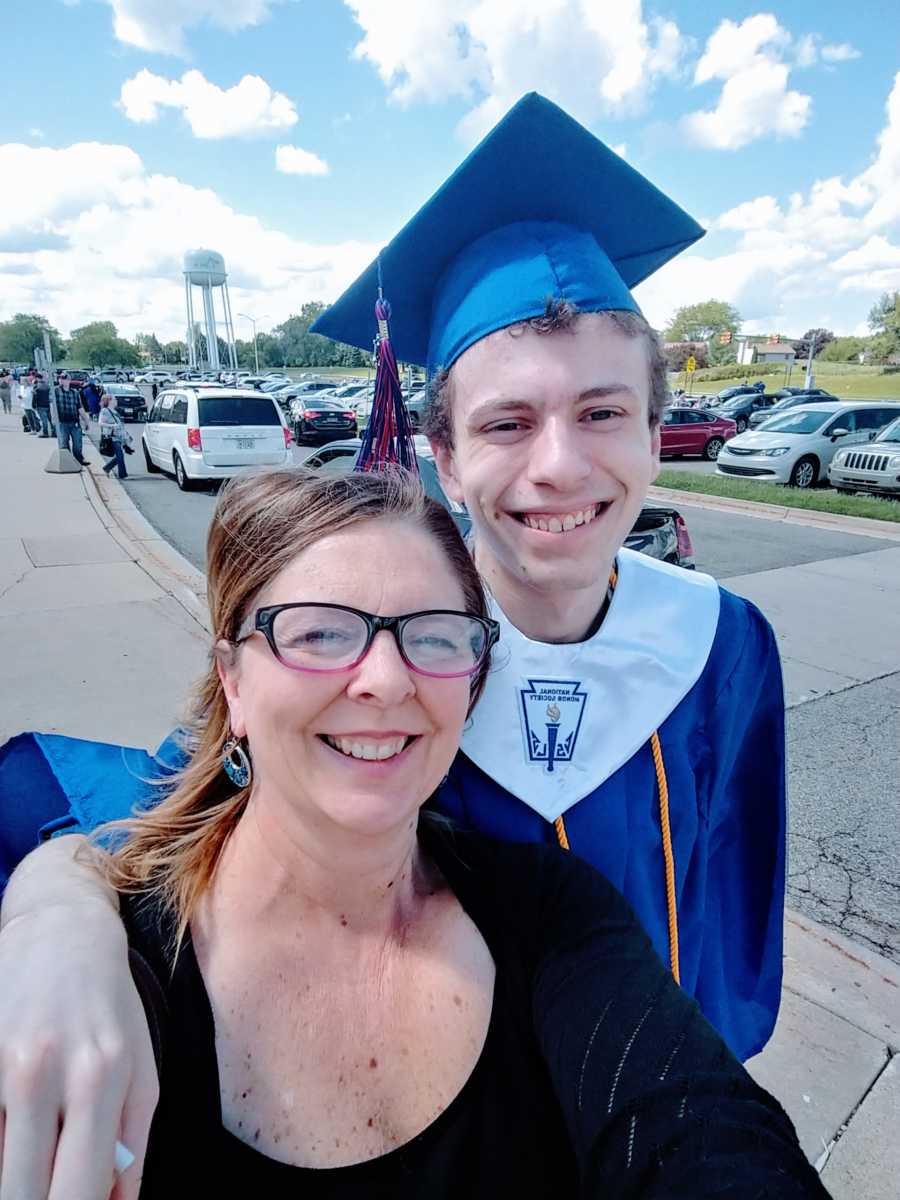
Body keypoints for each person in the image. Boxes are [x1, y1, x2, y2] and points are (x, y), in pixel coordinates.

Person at [0, 92, 788, 1180]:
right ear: (443, 456)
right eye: (506, 423)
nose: (558, 465)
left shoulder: (723, 643)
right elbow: (163, 819)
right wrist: (57, 909)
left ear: (661, 434)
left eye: (603, 412)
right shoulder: (374, 650)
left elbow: (729, 894)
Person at [3, 466, 827, 1198]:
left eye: (434, 635)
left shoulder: (551, 918)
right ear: (234, 682)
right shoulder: (105, 995)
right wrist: (55, 907)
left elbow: (695, 1129)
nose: (386, 680)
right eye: (320, 631)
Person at [54, 373, 90, 465]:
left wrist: (86, 421)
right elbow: (52, 406)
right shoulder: (55, 391)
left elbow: (80, 408)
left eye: (64, 379)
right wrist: (54, 420)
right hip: (62, 422)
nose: (62, 380)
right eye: (61, 379)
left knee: (77, 443)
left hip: (74, 422)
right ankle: (68, 461)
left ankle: (79, 459)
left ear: (69, 380)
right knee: (64, 443)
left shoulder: (75, 393)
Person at [98, 393, 130, 478]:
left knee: (120, 455)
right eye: (114, 399)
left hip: (119, 436)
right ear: (109, 401)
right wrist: (113, 426)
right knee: (119, 454)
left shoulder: (115, 411)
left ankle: (107, 468)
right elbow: (100, 423)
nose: (116, 401)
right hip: (112, 437)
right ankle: (122, 474)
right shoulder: (105, 411)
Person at [32, 371, 55, 437]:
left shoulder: (36, 387)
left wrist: (33, 405)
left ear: (37, 378)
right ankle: (54, 432)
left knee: (43, 420)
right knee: (50, 419)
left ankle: (45, 433)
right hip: (47, 404)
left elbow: (34, 397)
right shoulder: (47, 386)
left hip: (40, 405)